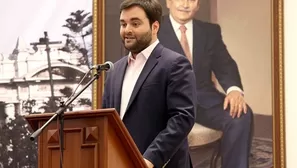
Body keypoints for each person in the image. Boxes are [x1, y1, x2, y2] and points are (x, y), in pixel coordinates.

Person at [157, 0, 254, 168]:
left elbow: (225, 65)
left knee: (241, 116)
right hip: (166, 103)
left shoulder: (210, 31)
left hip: (204, 101)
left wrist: (234, 90)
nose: (185, 4)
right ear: (168, 2)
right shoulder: (153, 29)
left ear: (198, 5)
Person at [102, 0, 197, 167]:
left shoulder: (175, 64)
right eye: (123, 24)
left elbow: (182, 118)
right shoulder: (115, 70)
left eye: (135, 23)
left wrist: (150, 159)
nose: (127, 30)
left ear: (155, 27)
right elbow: (106, 122)